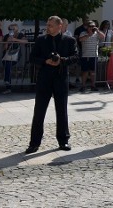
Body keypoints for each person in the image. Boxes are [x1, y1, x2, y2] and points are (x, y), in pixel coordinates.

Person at [25, 16, 77, 154]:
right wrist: (45, 61)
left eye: (50, 25)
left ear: (60, 26)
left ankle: (63, 140)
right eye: (47, 25)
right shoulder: (41, 40)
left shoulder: (69, 40)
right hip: (44, 79)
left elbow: (76, 57)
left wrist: (62, 60)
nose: (47, 27)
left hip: (61, 78)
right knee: (39, 111)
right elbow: (32, 58)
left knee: (62, 110)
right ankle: (34, 143)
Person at [78, 20, 105, 92]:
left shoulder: (97, 33)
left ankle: (93, 85)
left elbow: (103, 37)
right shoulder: (83, 33)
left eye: (93, 26)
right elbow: (80, 39)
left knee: (93, 72)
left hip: (94, 55)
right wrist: (88, 35)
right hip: (85, 56)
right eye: (90, 26)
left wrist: (98, 31)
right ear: (87, 27)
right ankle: (83, 86)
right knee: (85, 72)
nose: (92, 27)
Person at [1, 23, 26, 93]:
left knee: (8, 66)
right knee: (7, 66)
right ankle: (8, 86)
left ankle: (7, 84)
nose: (12, 30)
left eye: (14, 29)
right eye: (10, 29)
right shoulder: (7, 36)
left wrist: (15, 39)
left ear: (17, 29)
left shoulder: (20, 35)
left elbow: (25, 41)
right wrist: (7, 42)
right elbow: (4, 48)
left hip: (16, 55)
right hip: (6, 56)